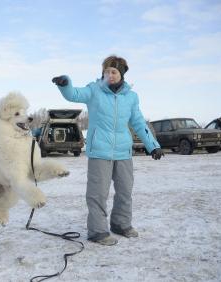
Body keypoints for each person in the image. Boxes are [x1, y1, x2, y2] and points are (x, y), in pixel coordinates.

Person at [52, 55, 163, 246]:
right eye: (106, 72)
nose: (110, 75)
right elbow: (74, 94)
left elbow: (138, 122)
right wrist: (65, 84)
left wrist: (153, 145)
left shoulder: (131, 97)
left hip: (123, 152)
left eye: (114, 72)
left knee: (125, 191)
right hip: (99, 151)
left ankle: (120, 224)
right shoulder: (94, 90)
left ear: (122, 74)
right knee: (97, 194)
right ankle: (97, 231)